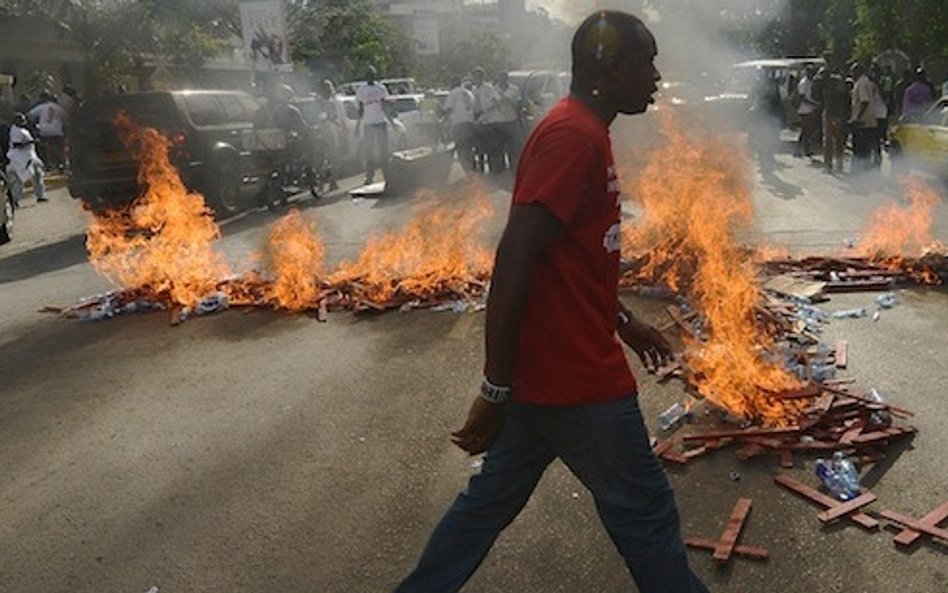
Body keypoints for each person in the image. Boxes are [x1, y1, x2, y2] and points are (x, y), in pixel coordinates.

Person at [395, 10, 710, 593]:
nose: (657, 76)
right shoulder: (572, 137)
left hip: (544, 382)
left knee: (484, 508)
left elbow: (570, 266)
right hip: (579, 384)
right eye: (647, 61)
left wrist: (624, 322)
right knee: (647, 517)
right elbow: (515, 260)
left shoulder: (586, 131)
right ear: (612, 67)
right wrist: (493, 388)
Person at [355, 66, 391, 185]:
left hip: (380, 122)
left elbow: (385, 106)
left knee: (384, 151)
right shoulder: (361, 90)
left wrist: (391, 121)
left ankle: (387, 175)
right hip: (368, 123)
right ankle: (369, 176)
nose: (370, 77)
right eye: (367, 75)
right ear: (365, 77)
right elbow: (360, 109)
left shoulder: (381, 88)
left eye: (371, 74)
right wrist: (357, 125)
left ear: (374, 76)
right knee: (369, 151)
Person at [6, 112, 46, 205]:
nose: (23, 121)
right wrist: (31, 142)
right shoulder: (15, 131)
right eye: (21, 120)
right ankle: (15, 200)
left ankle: (40, 195)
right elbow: (16, 144)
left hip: (30, 156)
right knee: (19, 179)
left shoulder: (21, 129)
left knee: (38, 174)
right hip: (20, 159)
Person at [471, 66, 503, 174]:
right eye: (474, 76)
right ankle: (481, 171)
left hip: (490, 122)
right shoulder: (474, 91)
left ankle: (495, 172)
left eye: (478, 76)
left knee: (492, 148)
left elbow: (496, 100)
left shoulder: (488, 88)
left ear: (482, 77)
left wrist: (487, 110)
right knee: (479, 148)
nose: (476, 79)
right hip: (479, 123)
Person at [443, 77, 476, 172]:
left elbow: (449, 109)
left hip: (459, 124)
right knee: (469, 149)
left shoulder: (453, 93)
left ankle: (468, 172)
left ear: (453, 83)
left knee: (461, 150)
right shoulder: (469, 93)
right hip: (470, 124)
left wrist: (443, 121)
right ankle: (473, 170)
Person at [28, 91, 67, 171]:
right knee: (59, 149)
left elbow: (29, 115)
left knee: (44, 149)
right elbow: (66, 121)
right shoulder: (60, 109)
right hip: (57, 132)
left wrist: (34, 125)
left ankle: (47, 164)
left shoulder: (42, 107)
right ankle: (61, 164)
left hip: (44, 132)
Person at [821, 65, 849, 173]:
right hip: (832, 114)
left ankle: (836, 164)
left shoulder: (836, 84)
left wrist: (837, 117)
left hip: (835, 115)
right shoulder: (830, 83)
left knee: (835, 140)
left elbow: (840, 101)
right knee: (831, 141)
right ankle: (831, 164)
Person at [849, 63, 876, 173]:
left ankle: (859, 173)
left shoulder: (862, 83)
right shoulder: (864, 82)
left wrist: (857, 118)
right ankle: (864, 173)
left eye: (852, 71)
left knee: (860, 150)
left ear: (858, 71)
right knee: (864, 150)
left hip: (862, 123)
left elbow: (865, 102)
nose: (851, 74)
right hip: (866, 122)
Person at [494, 71, 524, 171]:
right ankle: (500, 167)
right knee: (499, 145)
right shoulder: (494, 89)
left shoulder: (514, 90)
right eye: (500, 78)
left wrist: (509, 100)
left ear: (507, 79)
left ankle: (513, 166)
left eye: (504, 78)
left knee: (513, 146)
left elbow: (518, 105)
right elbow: (491, 105)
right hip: (499, 121)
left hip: (511, 120)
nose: (502, 80)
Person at [795, 65, 820, 157]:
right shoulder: (803, 83)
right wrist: (814, 104)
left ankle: (806, 149)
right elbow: (802, 98)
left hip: (810, 109)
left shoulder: (811, 81)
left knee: (808, 131)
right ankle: (798, 150)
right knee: (805, 131)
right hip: (804, 110)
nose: (812, 73)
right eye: (810, 72)